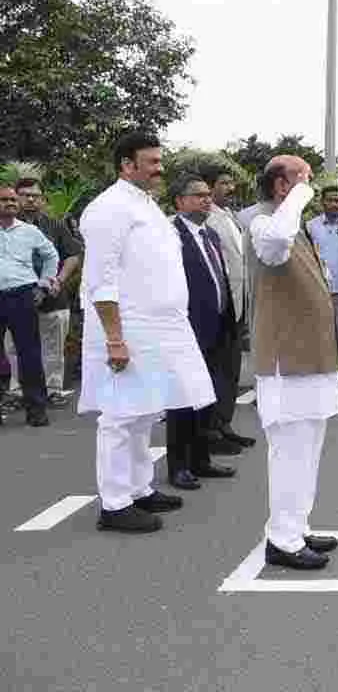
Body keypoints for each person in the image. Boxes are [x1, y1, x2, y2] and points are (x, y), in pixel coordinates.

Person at [79, 131, 215, 532]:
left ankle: (139, 489)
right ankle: (115, 504)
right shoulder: (109, 208)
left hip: (160, 328)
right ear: (126, 164)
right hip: (128, 327)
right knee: (120, 416)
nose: (160, 168)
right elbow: (99, 279)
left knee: (145, 413)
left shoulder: (145, 205)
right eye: (152, 162)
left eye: (159, 160)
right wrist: (115, 339)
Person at [241, 155, 338, 570]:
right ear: (282, 186)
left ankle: (296, 527)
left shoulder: (289, 221)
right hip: (286, 361)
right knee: (290, 452)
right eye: (305, 180)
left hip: (312, 359)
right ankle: (281, 540)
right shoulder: (261, 221)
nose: (312, 188)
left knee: (309, 448)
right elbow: (275, 246)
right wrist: (298, 194)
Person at [165, 175, 238, 490]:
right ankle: (178, 465)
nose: (206, 200)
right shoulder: (170, 234)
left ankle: (201, 459)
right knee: (182, 399)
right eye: (198, 196)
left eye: (208, 195)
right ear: (179, 202)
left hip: (217, 324)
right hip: (186, 328)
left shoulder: (209, 233)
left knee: (206, 396)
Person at [13, 177, 82, 409]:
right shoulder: (5, 226)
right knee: (14, 347)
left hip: (53, 296)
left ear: (43, 200)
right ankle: (17, 391)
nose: (30, 199)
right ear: (15, 197)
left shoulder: (55, 225)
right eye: (25, 195)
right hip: (15, 297)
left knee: (52, 347)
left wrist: (59, 280)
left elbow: (73, 255)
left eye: (35, 195)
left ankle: (53, 390)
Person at [203, 168, 254, 451]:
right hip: (220, 302)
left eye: (231, 182)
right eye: (223, 183)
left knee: (231, 367)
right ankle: (211, 430)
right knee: (217, 368)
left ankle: (225, 423)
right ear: (209, 188)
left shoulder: (231, 217)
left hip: (239, 300)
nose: (230, 187)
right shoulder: (207, 217)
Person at [0, 183, 58, 427]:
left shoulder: (30, 231)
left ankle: (36, 409)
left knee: (29, 354)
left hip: (22, 296)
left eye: (13, 200)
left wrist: (44, 283)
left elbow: (51, 255)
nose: (11, 203)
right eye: (4, 200)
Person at [306, 186, 338, 393]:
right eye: (330, 200)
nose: (334, 204)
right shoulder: (310, 227)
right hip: (318, 289)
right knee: (321, 334)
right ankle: (323, 376)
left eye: (337, 200)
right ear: (322, 202)